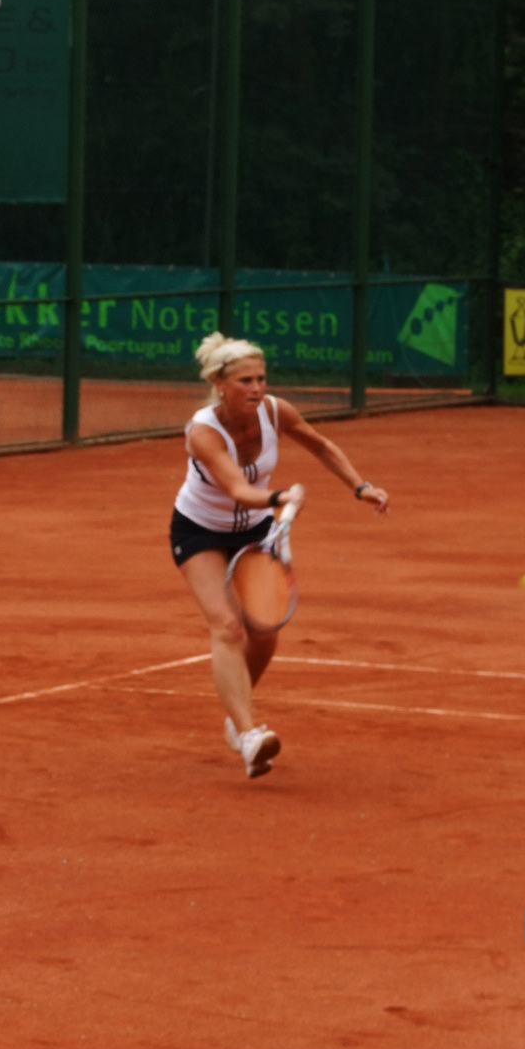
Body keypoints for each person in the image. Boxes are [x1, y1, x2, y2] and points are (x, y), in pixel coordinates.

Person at [170, 332, 389, 779]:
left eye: (261, 378)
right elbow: (237, 488)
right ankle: (250, 735)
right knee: (227, 626)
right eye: (245, 381)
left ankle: (237, 718)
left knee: (264, 632)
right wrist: (279, 497)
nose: (257, 388)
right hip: (199, 531)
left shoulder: (275, 411)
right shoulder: (203, 432)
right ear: (219, 383)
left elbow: (320, 445)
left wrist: (360, 486)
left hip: (254, 530)